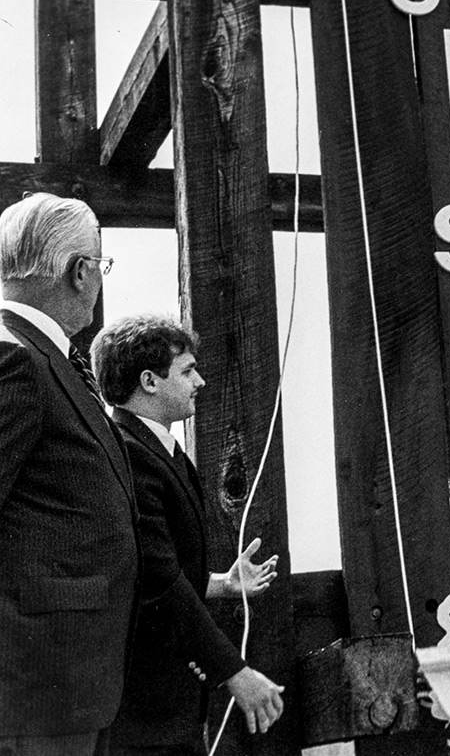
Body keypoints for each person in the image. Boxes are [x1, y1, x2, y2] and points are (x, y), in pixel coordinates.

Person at [92, 314, 285, 751]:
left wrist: (220, 584)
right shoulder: (130, 454)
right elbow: (157, 581)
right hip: (142, 712)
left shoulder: (162, 449)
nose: (200, 381)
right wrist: (235, 672)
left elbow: (155, 567)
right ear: (149, 381)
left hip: (167, 705)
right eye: (187, 370)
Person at [0, 192, 140, 753]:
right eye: (100, 267)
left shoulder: (37, 354)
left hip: (62, 684)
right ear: (80, 272)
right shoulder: (16, 359)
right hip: (37, 686)